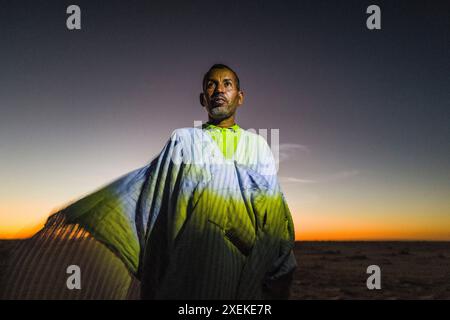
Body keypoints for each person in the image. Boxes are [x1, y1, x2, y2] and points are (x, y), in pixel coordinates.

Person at [2, 64, 297, 300]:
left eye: (227, 84)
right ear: (202, 99)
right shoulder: (183, 141)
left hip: (241, 269)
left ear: (240, 97)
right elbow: (151, 199)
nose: (219, 89)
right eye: (211, 84)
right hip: (188, 268)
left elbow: (274, 216)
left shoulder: (259, 147)